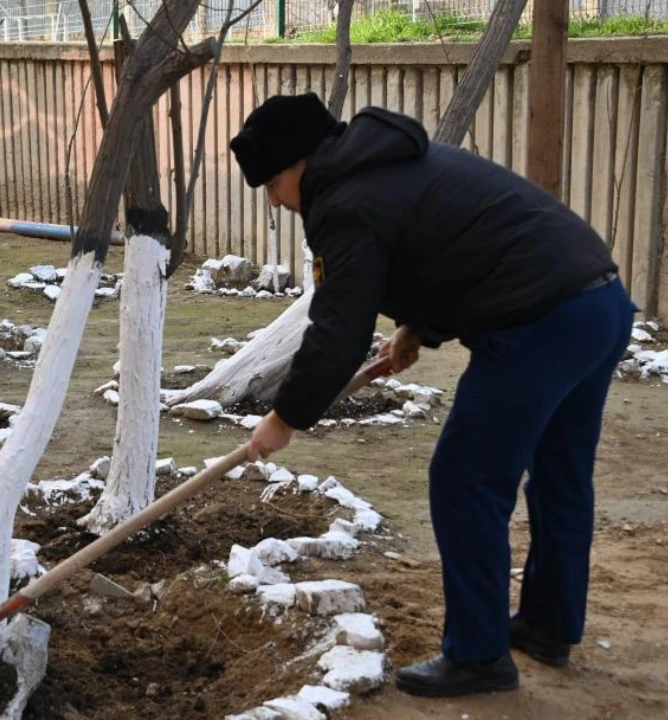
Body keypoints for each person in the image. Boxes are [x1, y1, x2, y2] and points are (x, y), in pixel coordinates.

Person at [230, 92, 634, 697]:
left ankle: (477, 657)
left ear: (298, 163)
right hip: (597, 303)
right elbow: (453, 243)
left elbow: (338, 328)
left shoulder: (343, 202)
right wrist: (417, 326)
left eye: (271, 183)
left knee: (465, 479)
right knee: (560, 474)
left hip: (539, 324)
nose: (274, 200)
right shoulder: (391, 163)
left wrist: (286, 416)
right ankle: (550, 625)